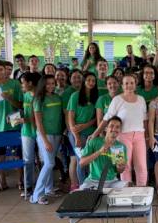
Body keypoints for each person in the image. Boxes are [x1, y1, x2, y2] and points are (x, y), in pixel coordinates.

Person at [91, 74, 148, 186]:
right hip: (121, 137)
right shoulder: (117, 99)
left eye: (132, 83)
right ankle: (126, 192)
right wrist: (95, 134)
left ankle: (142, 190)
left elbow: (145, 119)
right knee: (123, 166)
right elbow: (106, 118)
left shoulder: (141, 99)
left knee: (141, 166)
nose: (129, 85)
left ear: (135, 85)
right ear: (122, 86)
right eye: (126, 83)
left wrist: (147, 136)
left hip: (139, 136)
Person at [0, 60, 23, 191]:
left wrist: (9, 98)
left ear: (5, 70)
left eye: (0, 69)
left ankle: (21, 181)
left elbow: (21, 105)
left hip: (14, 124)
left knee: (18, 154)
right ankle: (2, 183)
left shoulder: (15, 84)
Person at [31, 74, 63, 205]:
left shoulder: (57, 97)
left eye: (52, 83)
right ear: (42, 84)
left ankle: (49, 189)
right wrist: (45, 140)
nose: (50, 86)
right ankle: (36, 195)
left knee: (49, 163)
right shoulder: (38, 99)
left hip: (57, 134)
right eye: (48, 83)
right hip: (45, 135)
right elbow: (38, 122)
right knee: (49, 163)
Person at [67, 72, 98, 188]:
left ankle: (91, 186)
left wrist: (85, 125)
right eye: (88, 80)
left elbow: (96, 118)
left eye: (93, 81)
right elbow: (70, 118)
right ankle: (82, 187)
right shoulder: (75, 96)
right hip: (76, 134)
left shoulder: (96, 97)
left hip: (90, 133)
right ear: (84, 81)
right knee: (82, 161)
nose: (91, 83)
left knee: (90, 161)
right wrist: (76, 137)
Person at [80, 116, 128, 189]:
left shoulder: (120, 146)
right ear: (106, 128)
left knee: (127, 187)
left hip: (112, 182)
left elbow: (119, 171)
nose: (114, 129)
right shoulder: (94, 142)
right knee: (82, 193)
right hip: (93, 181)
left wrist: (120, 167)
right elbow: (82, 163)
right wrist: (99, 152)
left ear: (120, 130)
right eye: (111, 126)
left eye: (117, 127)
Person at [18, 72, 40, 197]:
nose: (22, 86)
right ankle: (28, 187)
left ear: (30, 83)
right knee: (28, 160)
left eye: (23, 83)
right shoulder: (25, 95)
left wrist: (29, 120)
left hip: (40, 131)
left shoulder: (40, 96)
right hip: (26, 132)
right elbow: (24, 112)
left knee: (43, 159)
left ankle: (44, 186)